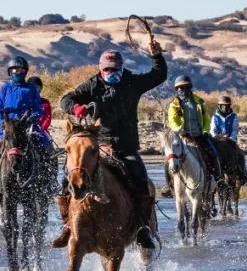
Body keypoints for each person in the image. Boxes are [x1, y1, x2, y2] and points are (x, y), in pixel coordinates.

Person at [56, 41, 167, 249]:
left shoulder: (132, 82)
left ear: (122, 68)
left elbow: (158, 75)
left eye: (115, 69)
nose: (111, 73)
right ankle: (67, 226)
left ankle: (142, 227)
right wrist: (76, 108)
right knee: (66, 181)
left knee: (141, 181)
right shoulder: (92, 85)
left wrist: (156, 56)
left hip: (127, 147)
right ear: (101, 69)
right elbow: (66, 99)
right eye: (107, 69)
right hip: (99, 147)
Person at [161, 75, 222, 198]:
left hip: (199, 136)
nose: (181, 90)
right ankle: (168, 185)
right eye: (179, 88)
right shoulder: (174, 105)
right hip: (182, 137)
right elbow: (173, 121)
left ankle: (218, 179)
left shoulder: (198, 102)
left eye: (184, 87)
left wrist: (205, 131)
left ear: (189, 87)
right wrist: (181, 130)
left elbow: (206, 118)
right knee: (169, 159)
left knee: (213, 153)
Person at [0, 56, 50, 171]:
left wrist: (32, 118)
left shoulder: (31, 88)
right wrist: (1, 122)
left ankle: (47, 177)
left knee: (47, 147)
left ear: (25, 72)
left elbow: (38, 109)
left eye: (21, 70)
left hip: (27, 127)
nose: (18, 73)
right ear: (10, 72)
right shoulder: (5, 88)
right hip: (8, 128)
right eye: (15, 70)